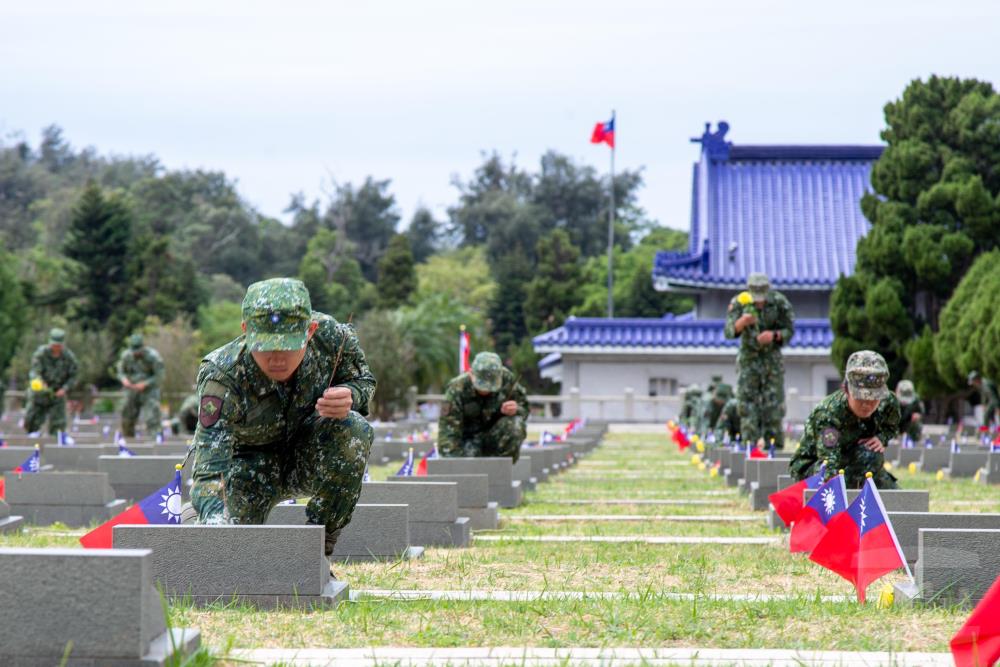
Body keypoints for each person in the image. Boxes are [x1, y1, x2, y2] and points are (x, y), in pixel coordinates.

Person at [188, 278, 376, 559]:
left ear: (310, 331)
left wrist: (351, 394)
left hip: (308, 452)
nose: (277, 359)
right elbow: (209, 471)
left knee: (353, 430)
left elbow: (363, 380)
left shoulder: (333, 339)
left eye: (288, 346)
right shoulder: (222, 375)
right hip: (247, 468)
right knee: (230, 553)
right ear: (245, 330)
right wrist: (216, 523)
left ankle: (317, 553)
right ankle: (191, 519)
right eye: (265, 346)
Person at [789, 350, 900, 489]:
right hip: (816, 465)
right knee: (867, 457)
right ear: (846, 390)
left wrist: (881, 438)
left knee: (895, 496)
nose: (867, 404)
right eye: (860, 397)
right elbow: (829, 463)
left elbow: (891, 427)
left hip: (858, 458)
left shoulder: (888, 402)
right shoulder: (829, 414)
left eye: (873, 398)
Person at [724, 273, 794, 448]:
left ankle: (774, 448)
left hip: (772, 363)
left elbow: (789, 331)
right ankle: (750, 448)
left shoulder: (779, 302)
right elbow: (729, 332)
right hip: (749, 362)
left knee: (774, 405)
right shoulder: (740, 302)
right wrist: (742, 322)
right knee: (747, 405)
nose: (759, 301)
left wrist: (774, 335)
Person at [438, 352, 528, 463]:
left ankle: (503, 471)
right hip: (468, 443)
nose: (486, 390)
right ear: (471, 374)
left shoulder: (508, 380)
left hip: (495, 438)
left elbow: (525, 409)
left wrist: (516, 409)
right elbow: (447, 431)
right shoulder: (456, 388)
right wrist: (451, 465)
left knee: (515, 425)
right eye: (481, 385)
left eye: (491, 386)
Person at [24, 328, 79, 435]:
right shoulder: (41, 354)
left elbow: (73, 376)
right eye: (54, 345)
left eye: (59, 345)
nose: (56, 348)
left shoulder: (69, 357)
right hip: (40, 393)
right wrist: (40, 383)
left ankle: (55, 444)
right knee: (32, 421)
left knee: (58, 425)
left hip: (58, 393)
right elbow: (34, 372)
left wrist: (64, 389)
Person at [116, 333, 165, 438]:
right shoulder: (126, 356)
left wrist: (146, 383)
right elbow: (120, 371)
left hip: (149, 391)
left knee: (152, 417)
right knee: (127, 416)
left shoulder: (153, 357)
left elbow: (159, 376)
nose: (136, 353)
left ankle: (154, 441)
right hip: (131, 389)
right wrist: (124, 379)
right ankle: (128, 442)